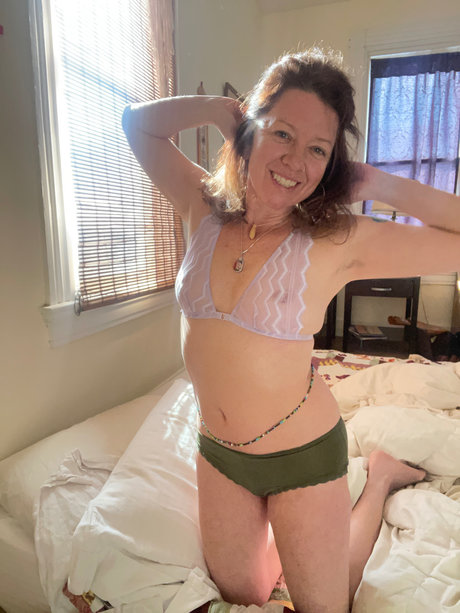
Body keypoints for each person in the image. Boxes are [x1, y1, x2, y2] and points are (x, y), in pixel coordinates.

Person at [122, 48, 459, 613]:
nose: (295, 161)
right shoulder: (201, 204)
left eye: (318, 149)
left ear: (332, 165)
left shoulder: (338, 240)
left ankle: (377, 480)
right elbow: (136, 124)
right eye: (282, 133)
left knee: (326, 606)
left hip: (302, 455)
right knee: (245, 596)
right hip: (219, 453)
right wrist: (217, 109)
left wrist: (378, 182)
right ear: (251, 128)